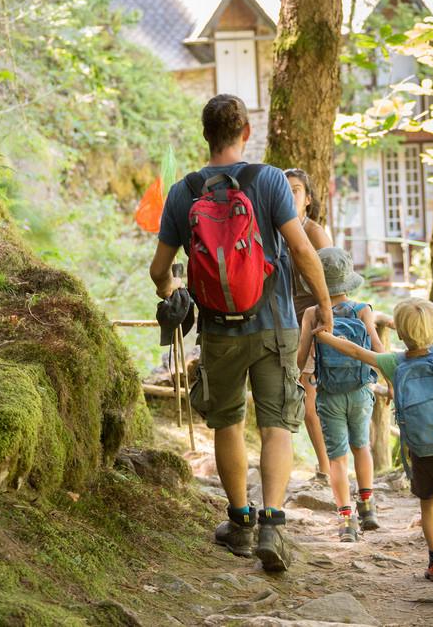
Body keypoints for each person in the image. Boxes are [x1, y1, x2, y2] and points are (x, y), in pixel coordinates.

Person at [149, 94, 333, 573]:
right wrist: (326, 304)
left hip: (217, 330)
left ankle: (240, 524)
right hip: (275, 324)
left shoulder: (183, 192)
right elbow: (301, 250)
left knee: (227, 422)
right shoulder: (270, 180)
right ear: (245, 133)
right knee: (276, 424)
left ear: (205, 134)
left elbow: (159, 270)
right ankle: (273, 523)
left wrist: (174, 292)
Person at [314, 262, 433, 591]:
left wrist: (325, 335)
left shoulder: (393, 362)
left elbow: (356, 350)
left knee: (429, 505)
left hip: (421, 450)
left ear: (400, 332)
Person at [296, 247, 385, 542]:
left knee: (337, 458)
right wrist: (392, 379)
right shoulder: (363, 310)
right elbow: (376, 348)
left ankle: (346, 521)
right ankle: (368, 507)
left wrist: (304, 373)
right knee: (362, 447)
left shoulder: (312, 313)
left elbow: (300, 358)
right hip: (360, 391)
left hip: (329, 393)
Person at [285, 168, 333, 484]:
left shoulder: (315, 234)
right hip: (286, 322)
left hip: (313, 322)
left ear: (308, 200)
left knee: (308, 398)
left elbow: (332, 284)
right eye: (285, 190)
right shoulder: (277, 231)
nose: (290, 195)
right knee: (292, 396)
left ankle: (327, 468)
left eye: (297, 190)